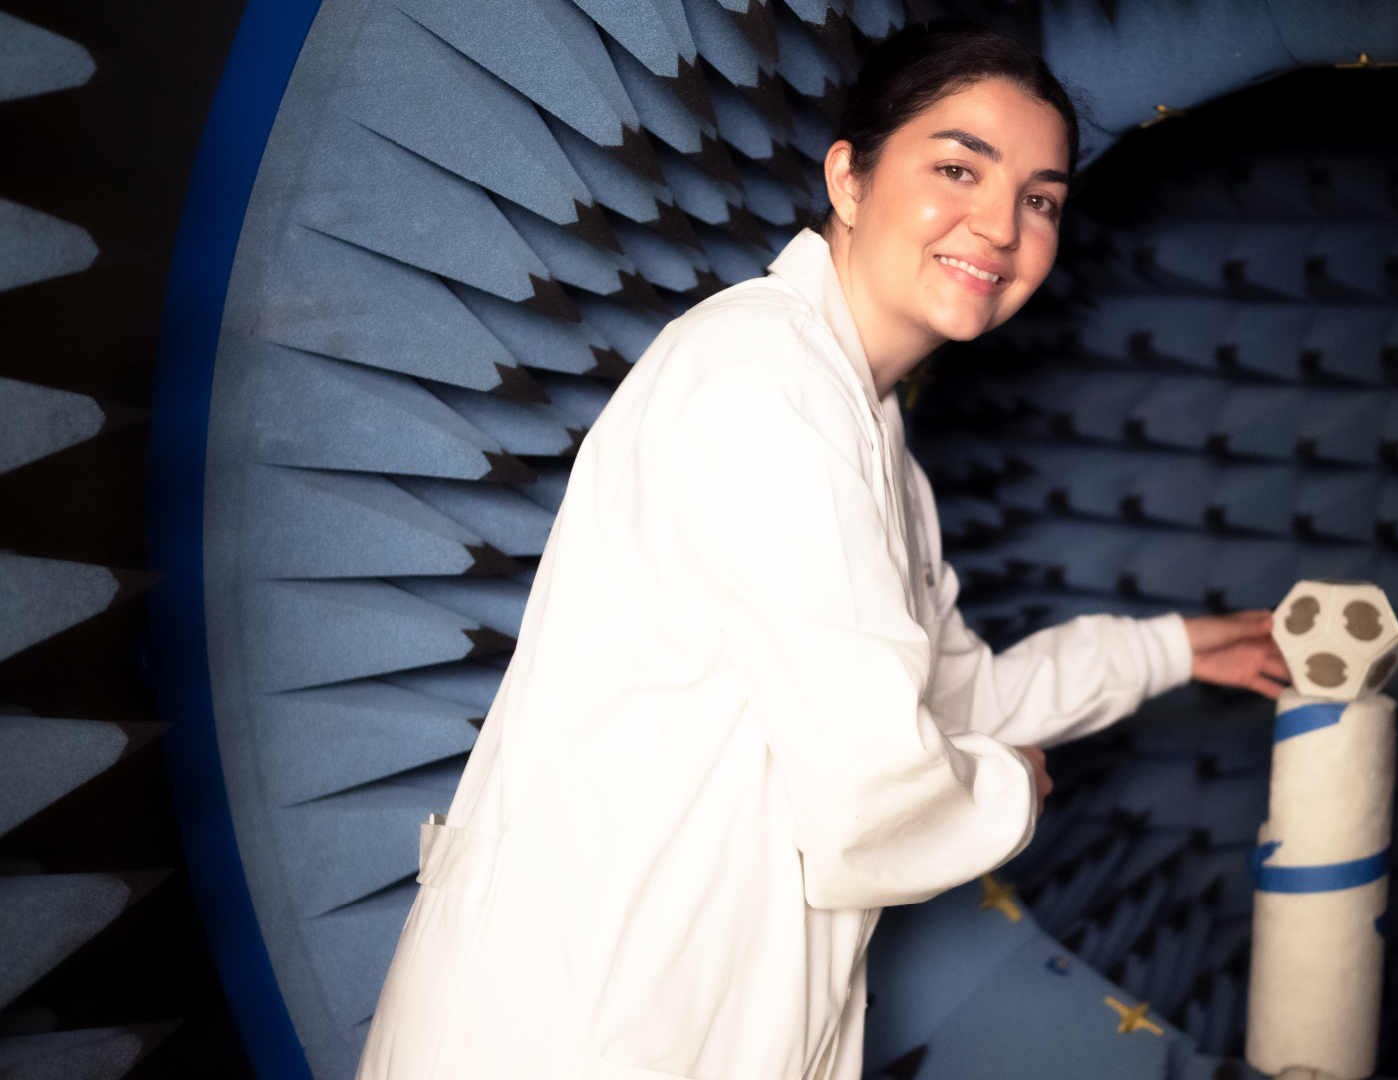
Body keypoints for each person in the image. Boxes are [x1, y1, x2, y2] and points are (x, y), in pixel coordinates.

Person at [355, 21, 1289, 1080]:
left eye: (1040, 200)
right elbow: (876, 792)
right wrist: (1011, 792)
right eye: (959, 169)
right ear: (849, 179)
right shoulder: (765, 379)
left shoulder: (870, 439)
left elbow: (956, 704)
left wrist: (1177, 649)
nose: (1000, 226)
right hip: (579, 1025)